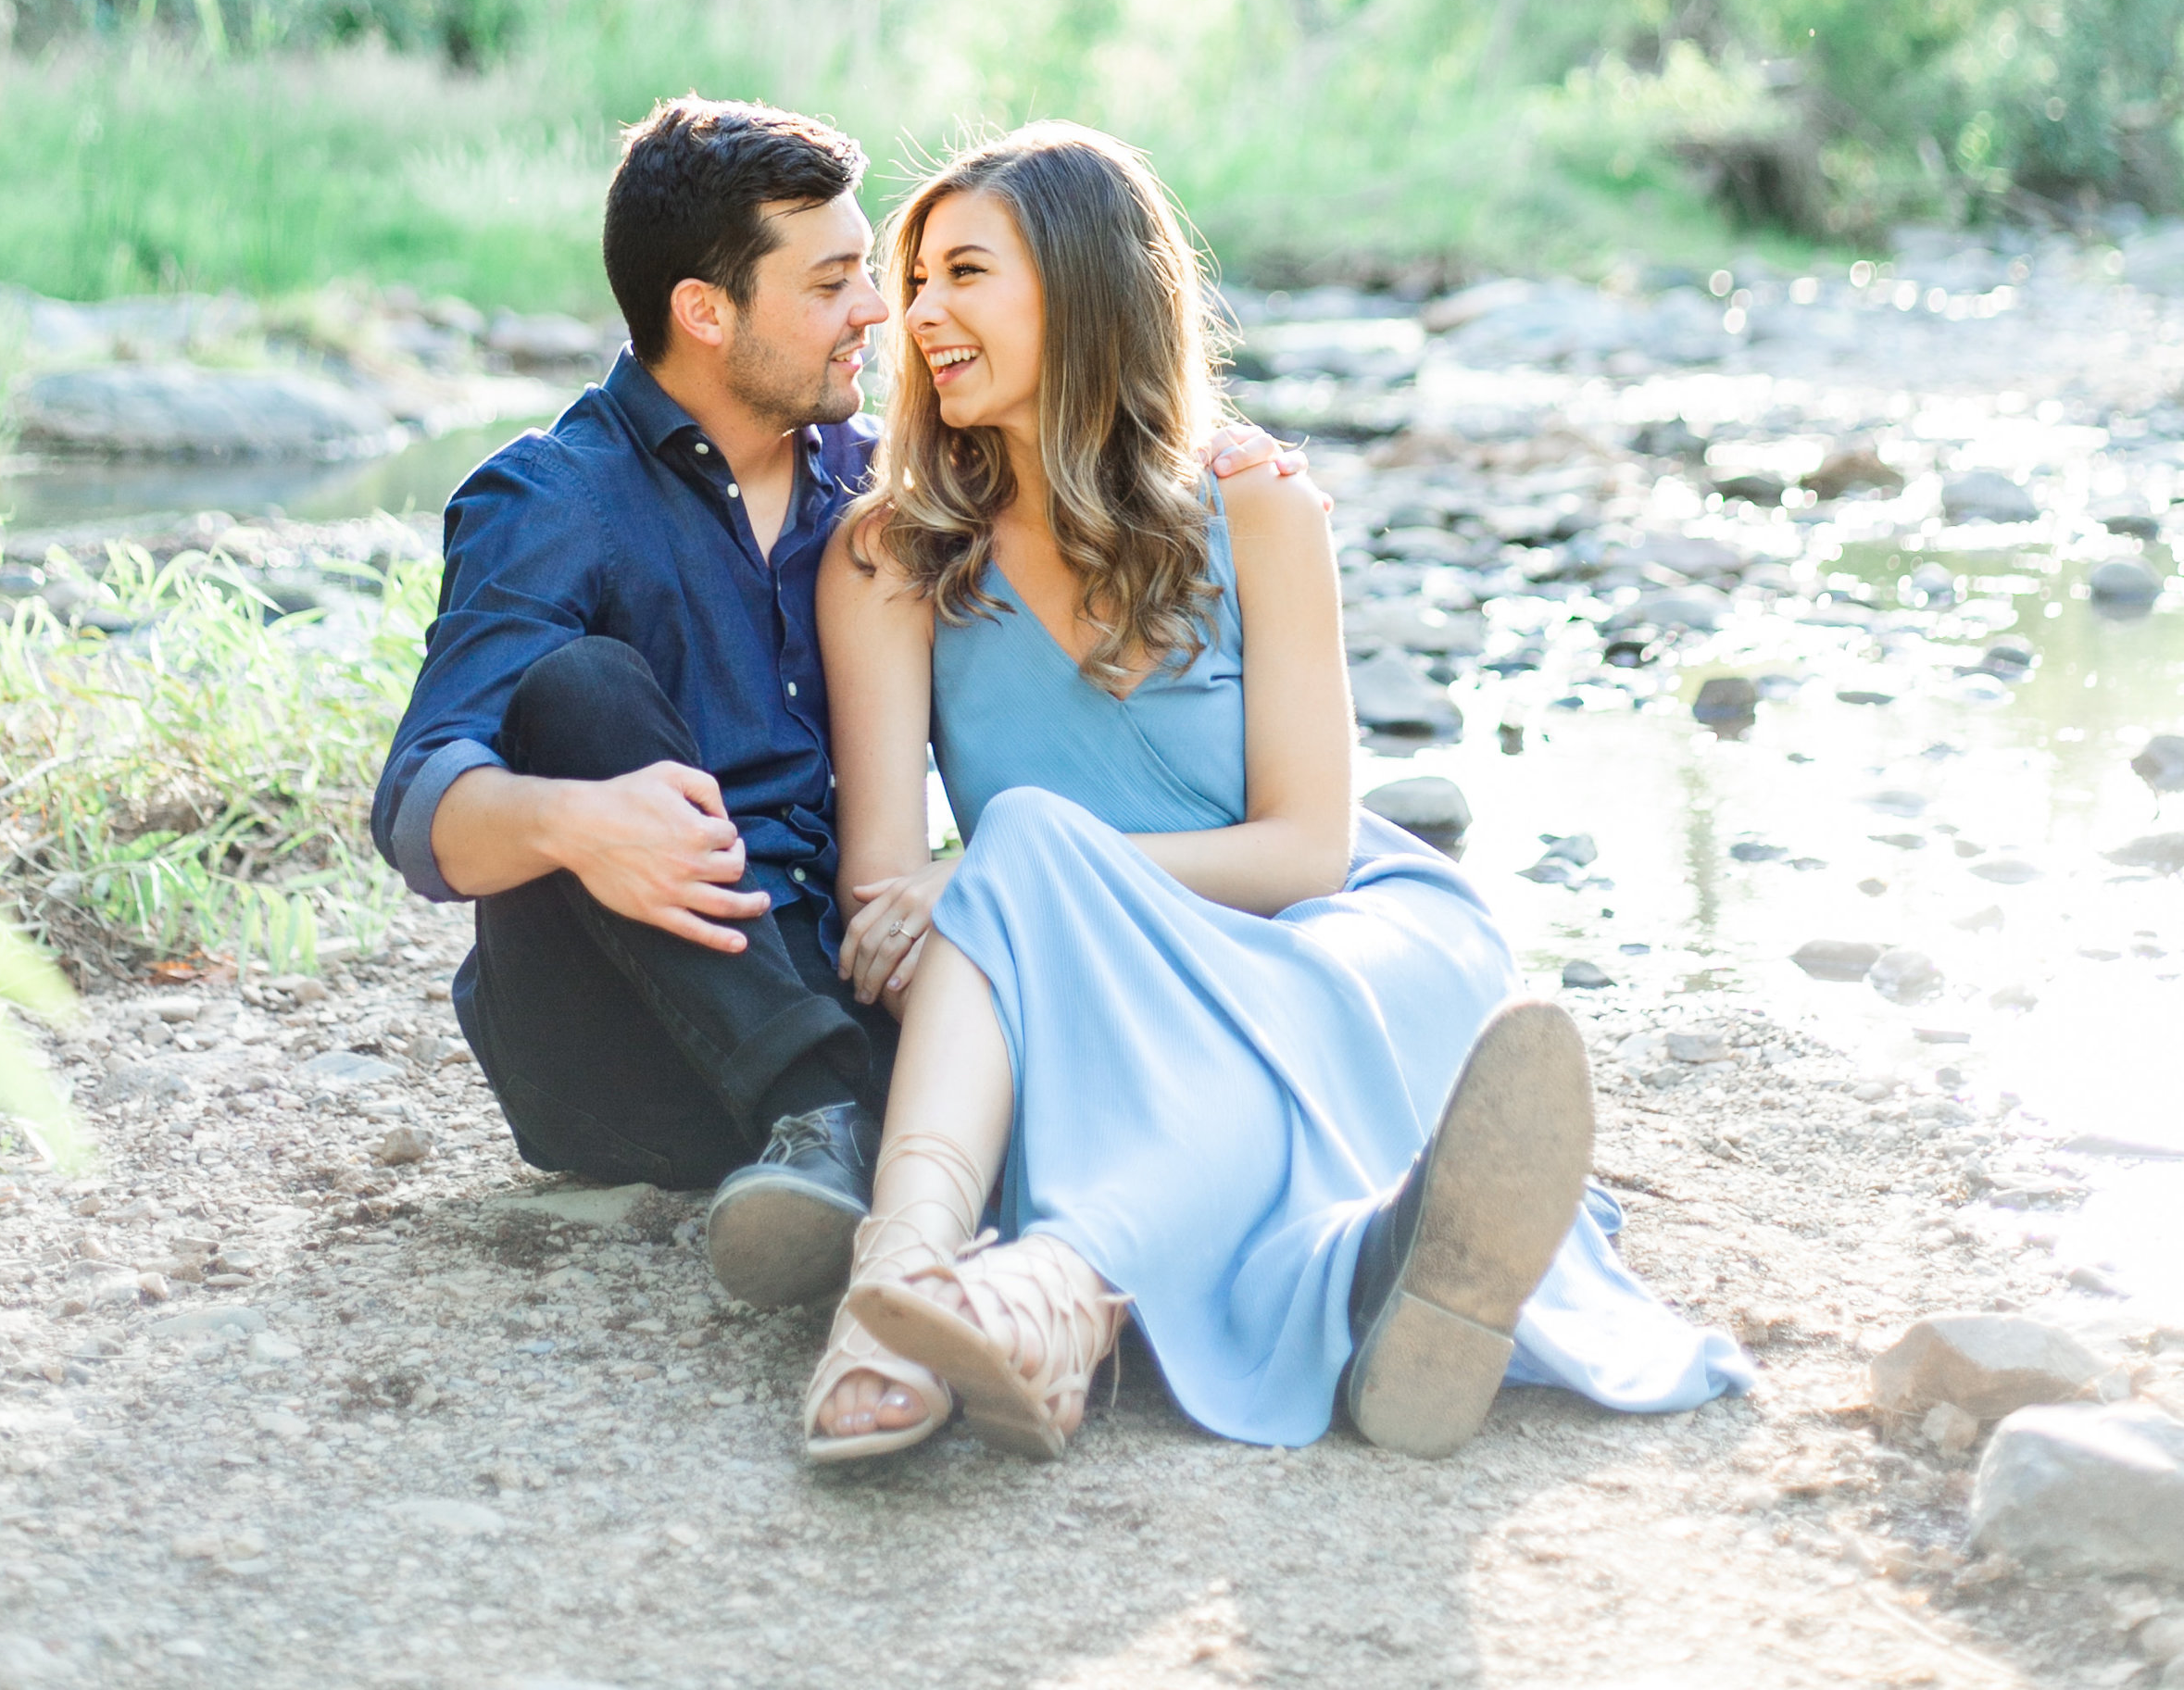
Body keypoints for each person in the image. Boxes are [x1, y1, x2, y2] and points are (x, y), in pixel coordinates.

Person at [804, 123, 1751, 1463]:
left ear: (1083, 291)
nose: (922, 314)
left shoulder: (1255, 510)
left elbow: (1309, 851)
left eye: (966, 273)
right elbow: (889, 899)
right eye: (916, 282)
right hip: (1084, 964)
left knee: (1032, 854)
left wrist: (1001, 875)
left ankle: (1049, 1291)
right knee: (1019, 864)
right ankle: (911, 1286)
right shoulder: (891, 552)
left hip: (1334, 930)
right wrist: (987, 885)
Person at [370, 94, 1305, 1308]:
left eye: (875, 272)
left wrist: (1225, 461)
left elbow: (1076, 457)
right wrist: (570, 826)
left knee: (1041, 1067)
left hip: (838, 991)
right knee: (578, 692)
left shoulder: (887, 497)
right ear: (705, 313)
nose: (881, 312)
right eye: (833, 285)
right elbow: (417, 797)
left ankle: (875, 1161)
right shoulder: (554, 500)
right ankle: (819, 1122)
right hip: (620, 1038)